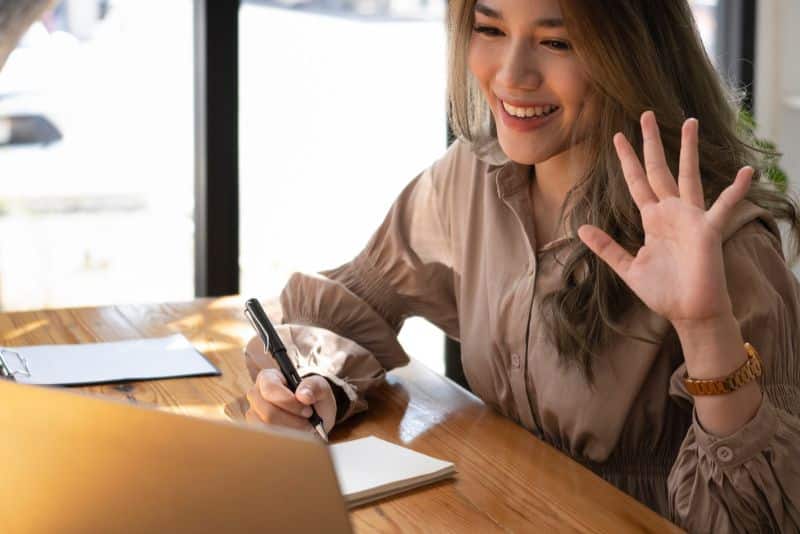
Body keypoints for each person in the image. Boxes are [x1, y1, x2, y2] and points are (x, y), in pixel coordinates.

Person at [244, 0, 800, 531]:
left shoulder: (717, 243)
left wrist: (706, 331)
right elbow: (352, 300)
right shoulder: (470, 177)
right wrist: (313, 381)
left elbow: (767, 521)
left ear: (634, 53)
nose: (512, 75)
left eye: (556, 41)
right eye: (490, 29)